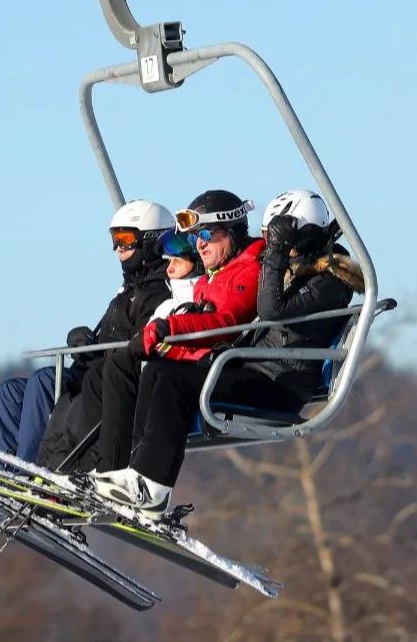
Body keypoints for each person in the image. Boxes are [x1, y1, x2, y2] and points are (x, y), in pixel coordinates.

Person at [93, 189, 365, 518]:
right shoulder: (294, 274)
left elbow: (270, 310)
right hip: (255, 371)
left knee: (175, 380)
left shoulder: (331, 281)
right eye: (270, 237)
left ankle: (151, 485)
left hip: (279, 385)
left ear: (307, 235)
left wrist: (275, 253)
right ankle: (139, 476)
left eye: (282, 238)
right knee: (158, 369)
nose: (276, 245)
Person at [0, 199, 174, 468]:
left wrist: (97, 353)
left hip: (106, 382)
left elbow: (138, 347)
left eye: (125, 239)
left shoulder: (157, 293)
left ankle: (27, 472)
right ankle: (2, 471)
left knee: (43, 382)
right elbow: (109, 338)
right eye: (114, 240)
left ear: (150, 240)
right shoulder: (127, 291)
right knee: (8, 393)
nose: (118, 249)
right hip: (88, 369)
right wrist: (83, 341)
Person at [34, 227, 204, 472]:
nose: (169, 268)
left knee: (93, 382)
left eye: (177, 261)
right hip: (131, 370)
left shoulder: (184, 297)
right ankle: (42, 469)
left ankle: (87, 470)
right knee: (51, 391)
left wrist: (145, 342)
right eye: (169, 261)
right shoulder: (156, 298)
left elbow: (199, 326)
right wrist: (89, 345)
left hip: (159, 376)